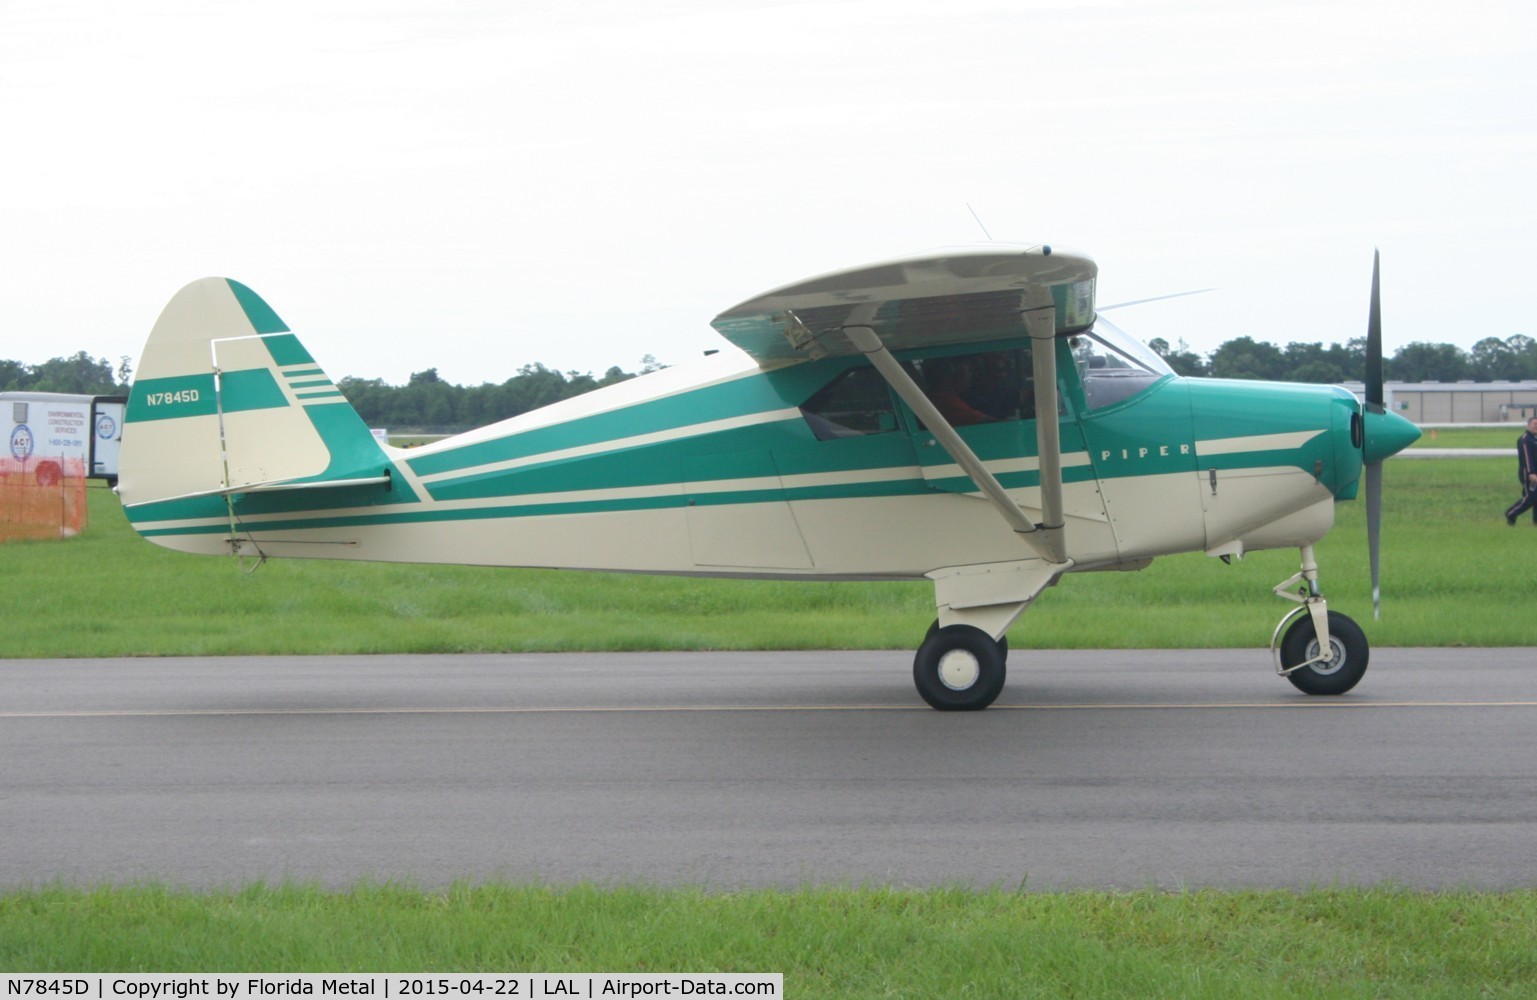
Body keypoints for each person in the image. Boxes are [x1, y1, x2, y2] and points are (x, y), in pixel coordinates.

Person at [1504, 415, 1537, 526]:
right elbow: (1527, 458)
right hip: (1529, 473)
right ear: (1528, 425)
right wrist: (1531, 473)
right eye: (1535, 424)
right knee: (1530, 498)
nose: (1536, 426)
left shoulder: (1534, 438)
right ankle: (1511, 513)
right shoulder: (1525, 439)